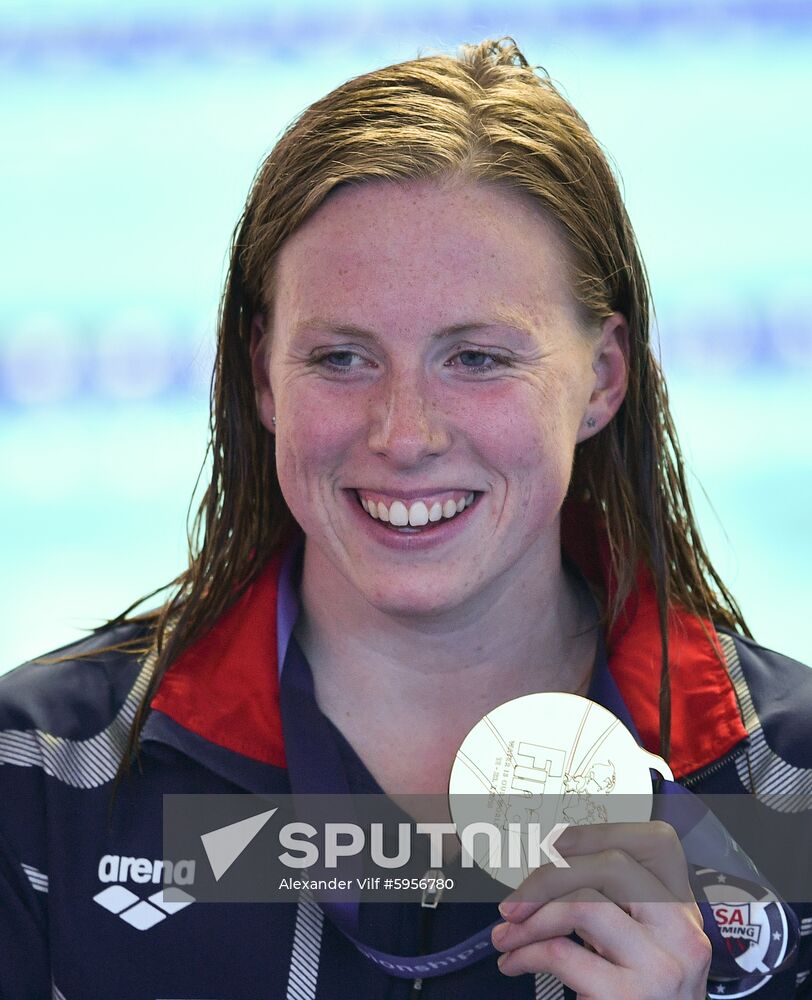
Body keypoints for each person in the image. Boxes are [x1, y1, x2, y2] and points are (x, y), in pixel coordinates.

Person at [1, 37, 810, 1000]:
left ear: (602, 379)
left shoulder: (787, 792)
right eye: (343, 357)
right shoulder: (44, 778)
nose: (404, 433)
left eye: (476, 358)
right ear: (264, 377)